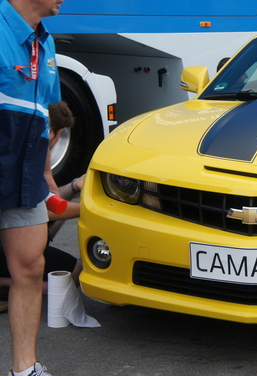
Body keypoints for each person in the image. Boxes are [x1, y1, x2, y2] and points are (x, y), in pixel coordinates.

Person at [0, 0, 63, 375]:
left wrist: (48, 178)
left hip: (25, 176)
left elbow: (43, 118)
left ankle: (25, 369)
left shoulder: (47, 42)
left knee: (30, 267)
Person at [0, 102, 84, 302]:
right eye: (61, 134)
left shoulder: (19, 145)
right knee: (73, 273)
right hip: (6, 238)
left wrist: (74, 187)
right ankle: (7, 284)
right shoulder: (26, 157)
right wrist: (90, 210)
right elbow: (43, 212)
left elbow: (48, 200)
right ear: (52, 131)